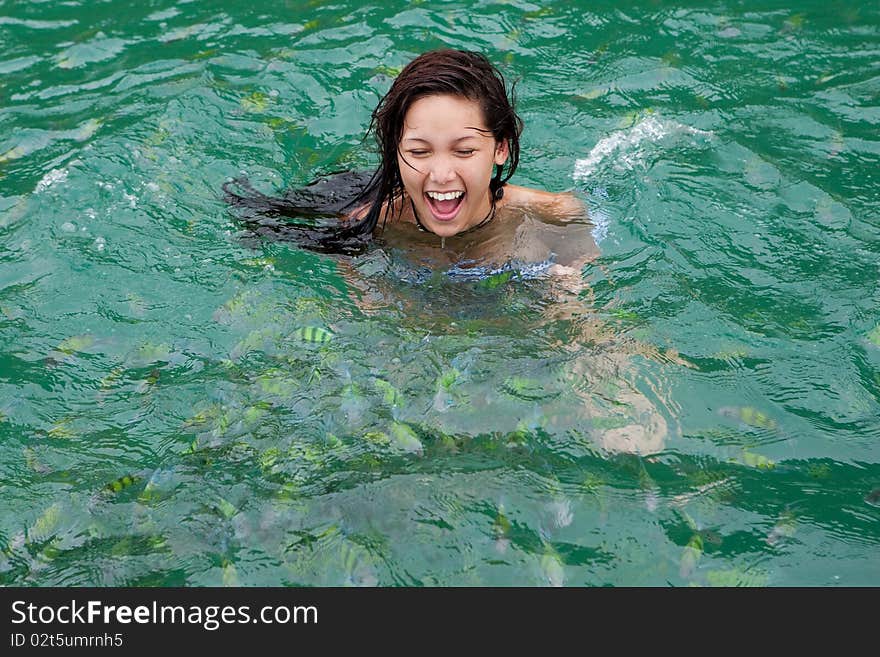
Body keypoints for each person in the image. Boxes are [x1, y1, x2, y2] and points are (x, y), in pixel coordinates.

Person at [223, 49, 670, 455]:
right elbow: (371, 326)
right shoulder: (365, 224)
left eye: (463, 150)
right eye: (418, 151)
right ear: (396, 155)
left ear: (501, 149)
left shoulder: (554, 217)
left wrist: (605, 378)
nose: (440, 174)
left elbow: (589, 319)